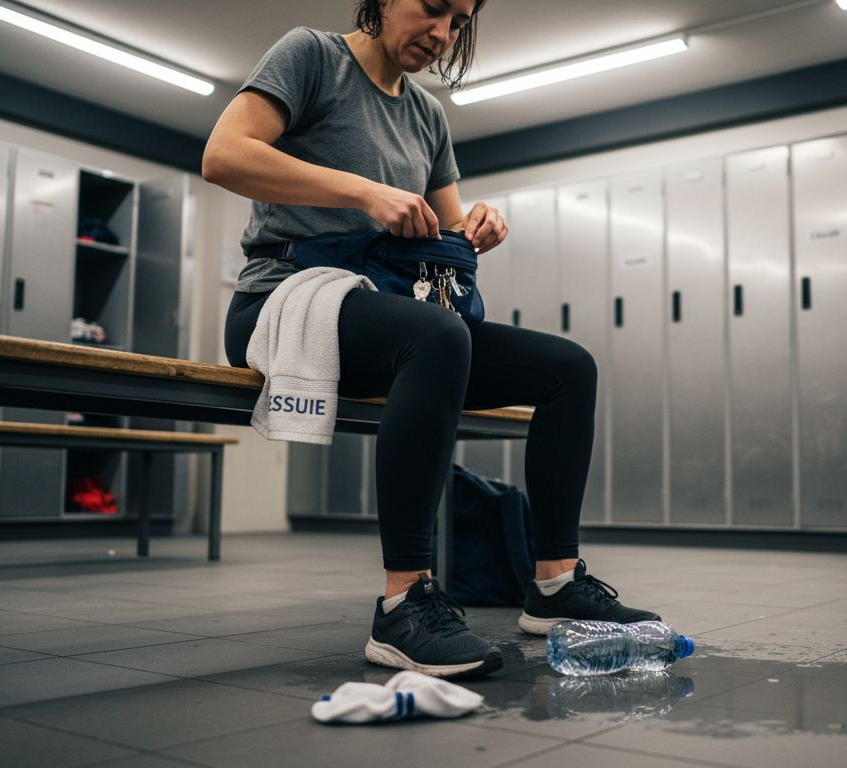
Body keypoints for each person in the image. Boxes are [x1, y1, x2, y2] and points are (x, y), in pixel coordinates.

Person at [202, 0, 659, 678]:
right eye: (434, 10)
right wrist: (364, 193)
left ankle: (555, 585)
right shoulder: (311, 56)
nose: (444, 36)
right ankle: (403, 606)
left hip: (391, 313)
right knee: (441, 336)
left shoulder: (425, 113)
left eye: (461, 23)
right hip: (285, 298)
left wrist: (478, 226)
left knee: (567, 367)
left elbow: (444, 240)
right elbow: (223, 156)